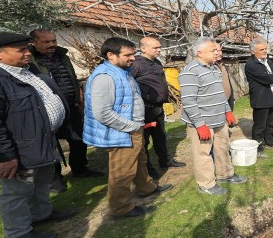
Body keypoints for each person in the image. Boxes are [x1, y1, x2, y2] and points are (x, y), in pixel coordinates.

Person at [0, 32, 77, 238]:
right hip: (19, 150)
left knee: (41, 182)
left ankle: (41, 214)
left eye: (27, 48)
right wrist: (3, 156)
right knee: (17, 192)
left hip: (43, 141)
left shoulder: (26, 70)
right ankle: (17, 234)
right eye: (21, 50)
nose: (27, 53)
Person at [83, 37, 172, 219]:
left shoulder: (122, 71)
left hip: (132, 129)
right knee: (122, 172)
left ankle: (146, 187)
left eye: (133, 53)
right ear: (111, 55)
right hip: (121, 132)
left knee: (139, 160)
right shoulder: (104, 77)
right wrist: (131, 127)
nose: (133, 58)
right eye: (128, 55)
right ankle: (121, 208)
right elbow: (102, 113)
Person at [29, 29, 104, 193]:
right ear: (34, 43)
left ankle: (80, 169)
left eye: (53, 41)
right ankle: (54, 178)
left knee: (78, 139)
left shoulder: (63, 56)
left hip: (71, 106)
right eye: (46, 42)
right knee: (51, 145)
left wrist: (78, 98)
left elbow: (72, 78)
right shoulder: (30, 61)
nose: (52, 45)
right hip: (48, 110)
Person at [178, 37, 246, 196]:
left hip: (219, 119)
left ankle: (225, 174)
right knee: (203, 154)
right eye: (213, 50)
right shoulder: (190, 72)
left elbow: (220, 94)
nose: (217, 53)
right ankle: (206, 184)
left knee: (223, 148)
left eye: (217, 50)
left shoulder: (214, 69)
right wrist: (199, 124)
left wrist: (227, 111)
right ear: (199, 53)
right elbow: (188, 101)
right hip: (202, 122)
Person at [130, 37, 186, 180]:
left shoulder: (157, 63)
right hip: (145, 109)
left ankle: (165, 161)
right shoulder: (136, 64)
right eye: (155, 48)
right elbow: (129, 85)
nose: (159, 50)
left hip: (158, 107)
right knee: (145, 140)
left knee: (160, 136)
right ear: (143, 48)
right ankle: (148, 169)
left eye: (159, 47)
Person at [244, 38, 273, 158]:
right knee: (259, 125)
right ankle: (258, 148)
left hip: (272, 96)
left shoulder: (267, 61)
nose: (264, 51)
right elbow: (266, 79)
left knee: (270, 122)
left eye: (265, 49)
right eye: (261, 49)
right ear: (253, 52)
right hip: (261, 98)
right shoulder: (251, 65)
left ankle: (270, 142)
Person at [214, 42, 235, 111]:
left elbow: (228, 82)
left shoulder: (222, 64)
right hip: (216, 105)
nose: (219, 53)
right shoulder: (208, 67)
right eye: (216, 51)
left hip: (227, 103)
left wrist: (232, 98)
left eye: (220, 50)